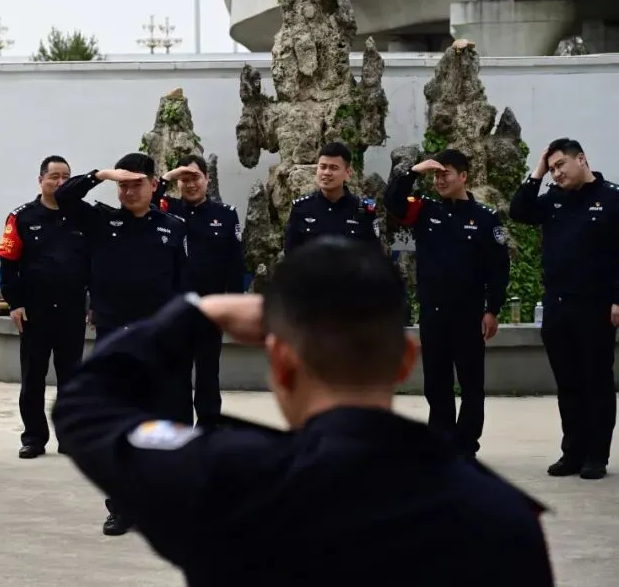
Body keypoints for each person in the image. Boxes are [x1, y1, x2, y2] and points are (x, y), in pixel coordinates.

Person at [52, 237, 555, 586]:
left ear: (281, 362)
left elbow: (83, 406)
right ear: (406, 361)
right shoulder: (502, 515)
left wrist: (200, 314)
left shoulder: (227, 477)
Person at [54, 152, 188, 536]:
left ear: (153, 185)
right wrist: (98, 175)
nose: (128, 192)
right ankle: (122, 507)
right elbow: (64, 197)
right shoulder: (101, 221)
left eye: (136, 184)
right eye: (122, 185)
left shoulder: (173, 227)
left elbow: (183, 285)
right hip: (115, 339)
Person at [384, 148, 510, 458]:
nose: (440, 180)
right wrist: (414, 172)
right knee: (436, 384)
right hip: (434, 314)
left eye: (446, 174)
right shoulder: (425, 210)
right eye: (436, 175)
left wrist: (492, 309)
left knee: (471, 384)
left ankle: (466, 445)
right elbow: (393, 203)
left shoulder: (485, 217)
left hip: (469, 315)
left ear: (463, 176)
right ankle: (440, 442)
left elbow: (498, 268)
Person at [509, 138, 619, 480]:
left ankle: (596, 456)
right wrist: (537, 171)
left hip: (596, 306)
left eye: (560, 166)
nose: (556, 174)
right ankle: (572, 452)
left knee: (596, 382)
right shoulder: (553, 199)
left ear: (581, 159)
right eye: (552, 168)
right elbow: (518, 211)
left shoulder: (612, 197)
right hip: (557, 305)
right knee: (568, 383)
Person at [0, 155, 90, 459]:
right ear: (41, 181)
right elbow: (8, 263)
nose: (60, 183)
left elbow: (95, 262)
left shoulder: (81, 215)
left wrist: (94, 302)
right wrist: (15, 303)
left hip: (72, 310)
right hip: (35, 311)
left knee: (71, 378)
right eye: (54, 177)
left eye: (66, 177)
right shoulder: (22, 217)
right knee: (33, 377)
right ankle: (34, 438)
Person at [154, 154, 247, 427]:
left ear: (207, 179)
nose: (190, 184)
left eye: (195, 177)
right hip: (175, 309)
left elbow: (235, 264)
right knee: (177, 375)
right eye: (184, 179)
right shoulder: (167, 209)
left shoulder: (225, 215)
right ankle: (181, 431)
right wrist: (167, 177)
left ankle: (208, 431)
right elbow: (146, 199)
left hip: (210, 309)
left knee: (208, 374)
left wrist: (234, 307)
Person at [283, 141, 380, 253]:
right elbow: (291, 254)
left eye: (333, 168)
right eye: (323, 167)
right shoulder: (301, 208)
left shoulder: (364, 210)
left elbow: (374, 255)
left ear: (348, 172)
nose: (326, 172)